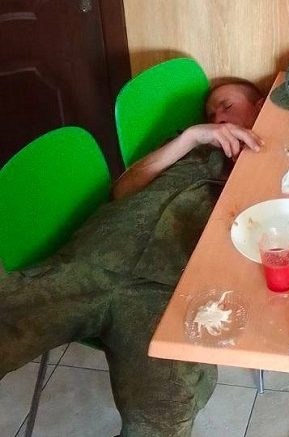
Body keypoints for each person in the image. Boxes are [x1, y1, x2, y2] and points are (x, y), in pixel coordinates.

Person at [0, 78, 264, 436]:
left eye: (227, 106)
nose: (217, 116)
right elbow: (123, 189)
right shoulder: (188, 145)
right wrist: (190, 137)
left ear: (259, 104)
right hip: (94, 259)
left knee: (163, 412)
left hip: (165, 294)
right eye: (210, 113)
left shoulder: (271, 165)